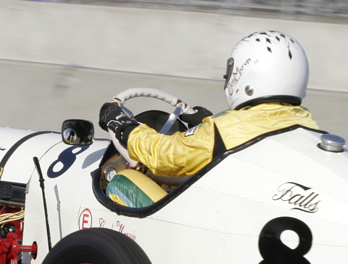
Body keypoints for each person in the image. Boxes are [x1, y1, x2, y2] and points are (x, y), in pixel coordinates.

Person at [98, 31, 319, 208]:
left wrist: (124, 126)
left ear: (247, 76)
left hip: (217, 219)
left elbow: (162, 155)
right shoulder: (308, 127)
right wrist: (206, 122)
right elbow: (246, 130)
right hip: (254, 211)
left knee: (121, 181)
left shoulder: (223, 132)